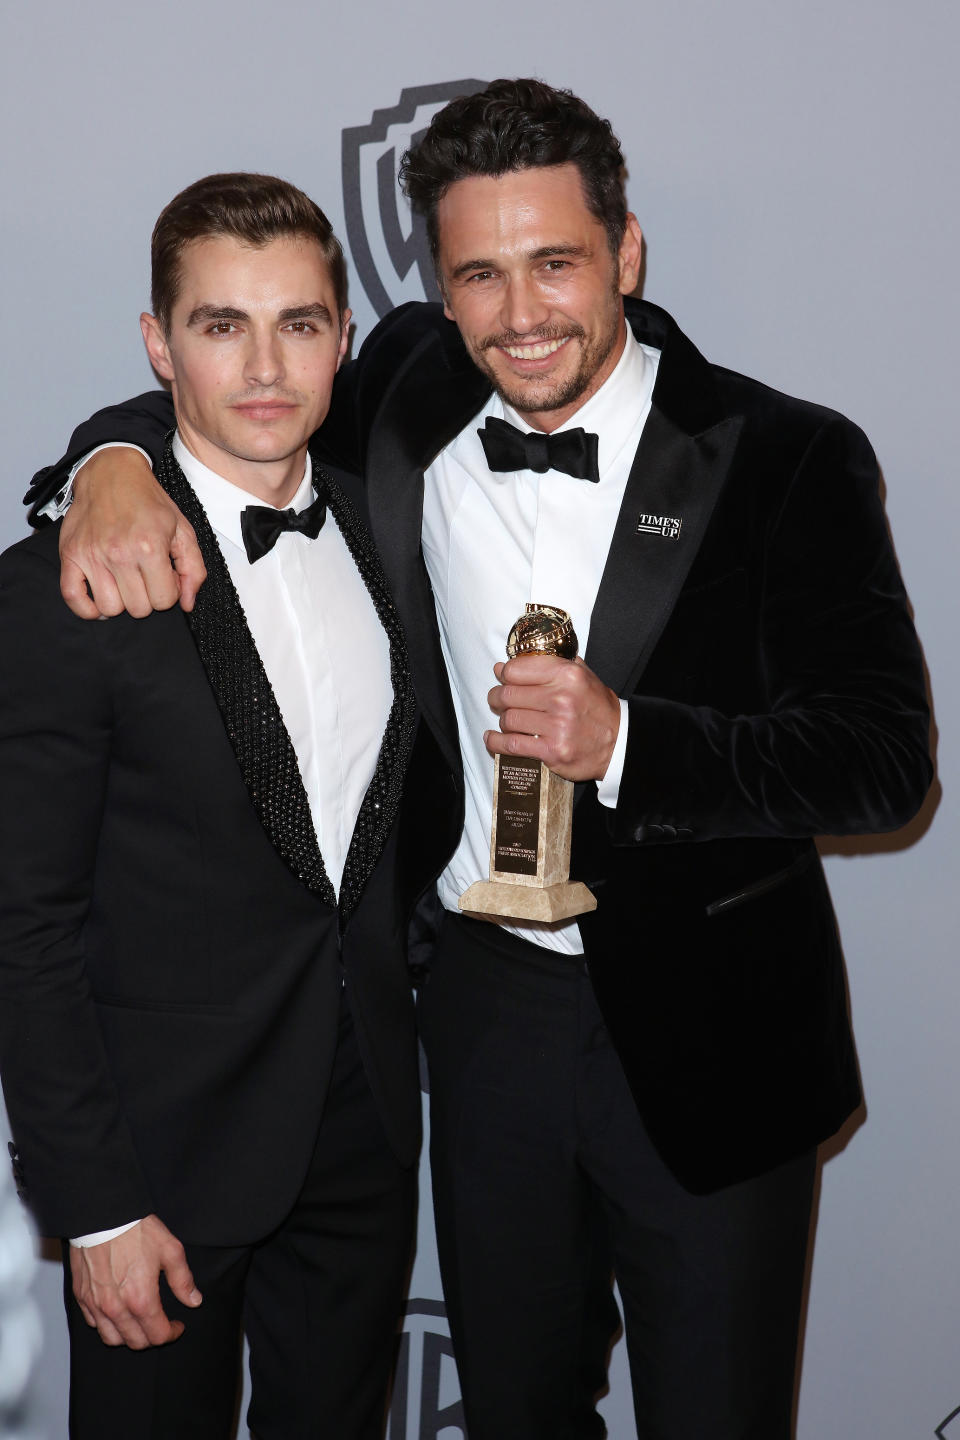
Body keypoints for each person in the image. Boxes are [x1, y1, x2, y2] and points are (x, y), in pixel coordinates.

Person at [25, 81, 933, 1440]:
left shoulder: (785, 454)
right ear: (436, 295)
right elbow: (234, 394)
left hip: (714, 1033)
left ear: (625, 253)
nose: (522, 314)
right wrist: (106, 457)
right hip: (482, 1018)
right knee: (517, 1410)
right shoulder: (397, 395)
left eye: (557, 262)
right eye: (480, 275)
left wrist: (631, 743)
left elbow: (882, 762)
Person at [0, 171, 446, 1440]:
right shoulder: (65, 585)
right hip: (159, 1168)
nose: (264, 366)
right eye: (219, 326)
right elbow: (23, 926)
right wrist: (92, 1206)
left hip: (360, 1133)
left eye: (299, 324)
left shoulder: (386, 524)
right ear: (158, 345)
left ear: (344, 340)